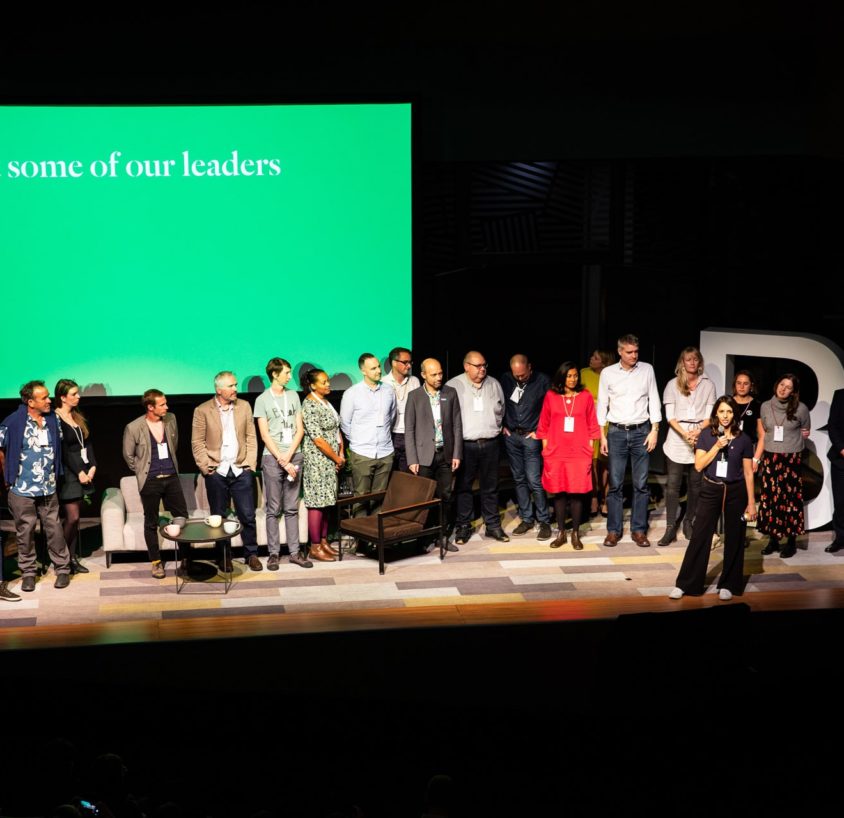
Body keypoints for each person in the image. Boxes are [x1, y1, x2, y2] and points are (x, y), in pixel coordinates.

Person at [669, 396, 757, 600]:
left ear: (734, 414)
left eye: (729, 412)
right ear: (716, 413)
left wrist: (751, 503)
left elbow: (748, 473)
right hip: (711, 489)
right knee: (700, 535)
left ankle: (729, 584)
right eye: (721, 411)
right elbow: (699, 465)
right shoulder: (707, 436)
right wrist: (717, 446)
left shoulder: (743, 439)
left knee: (735, 537)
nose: (725, 416)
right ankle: (687, 584)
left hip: (736, 492)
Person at [0, 380, 71, 591]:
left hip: (48, 486)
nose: (49, 400)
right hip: (22, 487)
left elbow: (58, 448)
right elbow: (1, 450)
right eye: (44, 398)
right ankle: (28, 572)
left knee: (54, 528)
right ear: (31, 402)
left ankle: (62, 569)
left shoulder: (52, 420)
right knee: (26, 531)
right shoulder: (12, 422)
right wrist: (7, 478)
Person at [191, 371, 261, 572]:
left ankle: (252, 554)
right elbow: (197, 442)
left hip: (240, 469)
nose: (235, 389)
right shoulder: (202, 410)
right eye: (231, 386)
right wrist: (207, 468)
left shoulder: (244, 407)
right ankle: (223, 556)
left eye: (236, 385)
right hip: (217, 471)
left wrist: (249, 464)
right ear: (219, 389)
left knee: (247, 515)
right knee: (218, 518)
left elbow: (251, 437)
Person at [597, 334, 661, 547]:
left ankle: (639, 530)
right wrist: (602, 434)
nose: (634, 355)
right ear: (620, 352)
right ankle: (613, 530)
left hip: (641, 431)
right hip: (615, 432)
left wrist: (655, 430)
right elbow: (603, 404)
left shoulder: (647, 370)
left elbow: (654, 399)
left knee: (641, 484)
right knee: (615, 484)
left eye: (636, 351)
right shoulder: (608, 373)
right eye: (629, 352)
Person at [123, 389, 189, 578]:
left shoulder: (171, 419)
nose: (166, 407)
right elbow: (128, 456)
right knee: (151, 522)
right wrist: (143, 470)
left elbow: (174, 446)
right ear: (150, 407)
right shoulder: (134, 427)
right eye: (162, 405)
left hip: (171, 477)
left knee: (181, 517)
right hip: (150, 480)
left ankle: (185, 558)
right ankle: (156, 562)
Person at [446, 350, 509, 544]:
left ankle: (493, 526)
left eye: (484, 365)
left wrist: (495, 427)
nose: (482, 369)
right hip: (465, 445)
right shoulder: (453, 385)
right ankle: (463, 526)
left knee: (490, 487)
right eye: (477, 366)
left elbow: (501, 409)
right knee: (464, 487)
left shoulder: (494, 384)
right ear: (466, 366)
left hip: (490, 443)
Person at [253, 358, 310, 569]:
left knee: (292, 507)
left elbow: (300, 429)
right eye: (286, 372)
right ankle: (274, 553)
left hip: (294, 455)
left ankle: (295, 552)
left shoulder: (293, 395)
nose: (289, 376)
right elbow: (264, 435)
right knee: (273, 508)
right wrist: (281, 458)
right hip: (272, 457)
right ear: (275, 374)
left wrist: (290, 455)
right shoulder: (262, 400)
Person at [536, 363, 601, 549]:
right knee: (559, 493)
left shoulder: (586, 396)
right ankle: (561, 533)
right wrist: (546, 450)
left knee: (577, 494)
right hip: (556, 452)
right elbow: (544, 424)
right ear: (561, 377)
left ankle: (575, 534)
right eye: (569, 376)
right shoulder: (551, 396)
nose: (573, 379)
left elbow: (592, 424)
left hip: (579, 453)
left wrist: (589, 450)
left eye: (575, 376)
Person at [658, 347, 716, 545]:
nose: (692, 363)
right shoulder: (672, 385)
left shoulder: (708, 385)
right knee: (673, 485)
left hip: (700, 436)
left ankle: (688, 522)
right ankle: (669, 527)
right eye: (688, 359)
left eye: (695, 359)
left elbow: (709, 417)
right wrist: (685, 434)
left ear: (699, 363)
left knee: (696, 485)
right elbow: (670, 417)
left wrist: (697, 432)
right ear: (681, 362)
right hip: (677, 437)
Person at [405, 358, 463, 550]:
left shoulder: (450, 393)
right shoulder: (414, 396)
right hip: (423, 456)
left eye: (440, 373)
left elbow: (456, 424)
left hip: (445, 454)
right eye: (434, 374)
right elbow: (409, 429)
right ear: (423, 375)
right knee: (424, 499)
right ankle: (422, 537)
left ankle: (442, 536)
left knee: (445, 497)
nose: (439, 377)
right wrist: (412, 459)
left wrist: (456, 454)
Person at [757, 373, 811, 559]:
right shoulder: (765, 406)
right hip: (771, 458)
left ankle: (791, 541)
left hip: (791, 459)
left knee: (790, 500)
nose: (783, 389)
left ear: (793, 391)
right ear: (776, 385)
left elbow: (805, 432)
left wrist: (790, 444)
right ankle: (773, 539)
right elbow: (764, 431)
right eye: (782, 384)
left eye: (788, 387)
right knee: (771, 499)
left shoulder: (801, 409)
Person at [500, 354, 552, 540]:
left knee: (534, 480)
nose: (519, 378)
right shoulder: (506, 379)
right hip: (512, 435)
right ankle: (527, 518)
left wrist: (540, 431)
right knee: (519, 478)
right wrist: (502, 425)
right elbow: (499, 403)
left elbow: (551, 409)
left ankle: (544, 520)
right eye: (516, 375)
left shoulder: (542, 381)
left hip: (532, 436)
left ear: (529, 367)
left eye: (522, 375)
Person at [340, 353, 397, 518]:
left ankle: (376, 540)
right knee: (361, 498)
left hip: (385, 452)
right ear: (363, 370)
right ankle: (362, 541)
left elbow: (392, 417)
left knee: (380, 498)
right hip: (362, 452)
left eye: (378, 366)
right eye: (373, 368)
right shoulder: (352, 393)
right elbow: (345, 422)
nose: (378, 370)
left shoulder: (388, 390)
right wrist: (359, 440)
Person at [302, 369, 345, 561]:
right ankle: (315, 546)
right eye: (324, 382)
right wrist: (336, 458)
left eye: (328, 381)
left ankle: (324, 540)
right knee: (316, 504)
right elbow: (318, 439)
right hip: (318, 460)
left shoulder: (325, 402)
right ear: (312, 385)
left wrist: (341, 453)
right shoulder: (309, 405)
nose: (328, 385)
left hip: (331, 458)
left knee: (327, 501)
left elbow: (336, 429)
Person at [54, 379, 96, 574]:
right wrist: (79, 472)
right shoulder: (55, 419)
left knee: (76, 520)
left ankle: (71, 559)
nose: (78, 396)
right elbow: (63, 450)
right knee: (72, 517)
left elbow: (86, 443)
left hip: (83, 471)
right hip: (68, 474)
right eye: (73, 394)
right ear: (62, 397)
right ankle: (61, 558)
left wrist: (93, 466)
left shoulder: (76, 417)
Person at [581, 349, 615, 516]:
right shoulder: (583, 373)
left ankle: (606, 498)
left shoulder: (611, 375)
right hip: (588, 425)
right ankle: (594, 496)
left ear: (603, 362)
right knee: (592, 463)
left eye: (595, 358)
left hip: (608, 424)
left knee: (606, 465)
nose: (591, 359)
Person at [381, 346, 420, 473]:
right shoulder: (383, 383)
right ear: (393, 362)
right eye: (405, 362)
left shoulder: (414, 381)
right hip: (390, 434)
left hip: (410, 433)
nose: (408, 366)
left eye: (410, 362)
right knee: (390, 473)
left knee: (407, 475)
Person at [826, 388, 844, 553]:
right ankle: (840, 538)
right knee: (840, 501)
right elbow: (833, 426)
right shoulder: (840, 394)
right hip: (841, 459)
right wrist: (842, 449)